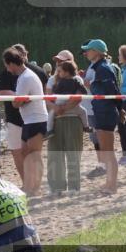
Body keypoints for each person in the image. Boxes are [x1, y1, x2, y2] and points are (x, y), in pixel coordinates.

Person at [2, 48, 48, 196]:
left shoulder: (26, 77)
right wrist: (19, 99)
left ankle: (36, 188)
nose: (7, 69)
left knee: (34, 155)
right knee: (26, 153)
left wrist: (17, 99)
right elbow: (19, 101)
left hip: (36, 119)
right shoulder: (24, 76)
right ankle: (30, 185)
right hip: (29, 120)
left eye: (7, 65)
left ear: (11, 63)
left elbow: (16, 104)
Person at [80, 40, 120, 194]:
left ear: (96, 51)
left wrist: (90, 84)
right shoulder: (99, 67)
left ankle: (112, 185)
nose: (86, 53)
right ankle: (109, 183)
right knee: (105, 150)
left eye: (88, 50)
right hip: (101, 111)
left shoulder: (103, 68)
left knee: (108, 151)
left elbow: (111, 90)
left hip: (106, 112)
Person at [45, 60, 85, 195]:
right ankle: (56, 187)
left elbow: (78, 98)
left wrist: (64, 108)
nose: (58, 64)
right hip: (56, 120)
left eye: (61, 61)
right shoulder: (52, 80)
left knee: (73, 154)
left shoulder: (76, 79)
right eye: (57, 61)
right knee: (54, 154)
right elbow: (48, 99)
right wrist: (56, 108)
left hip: (73, 119)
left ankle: (74, 187)